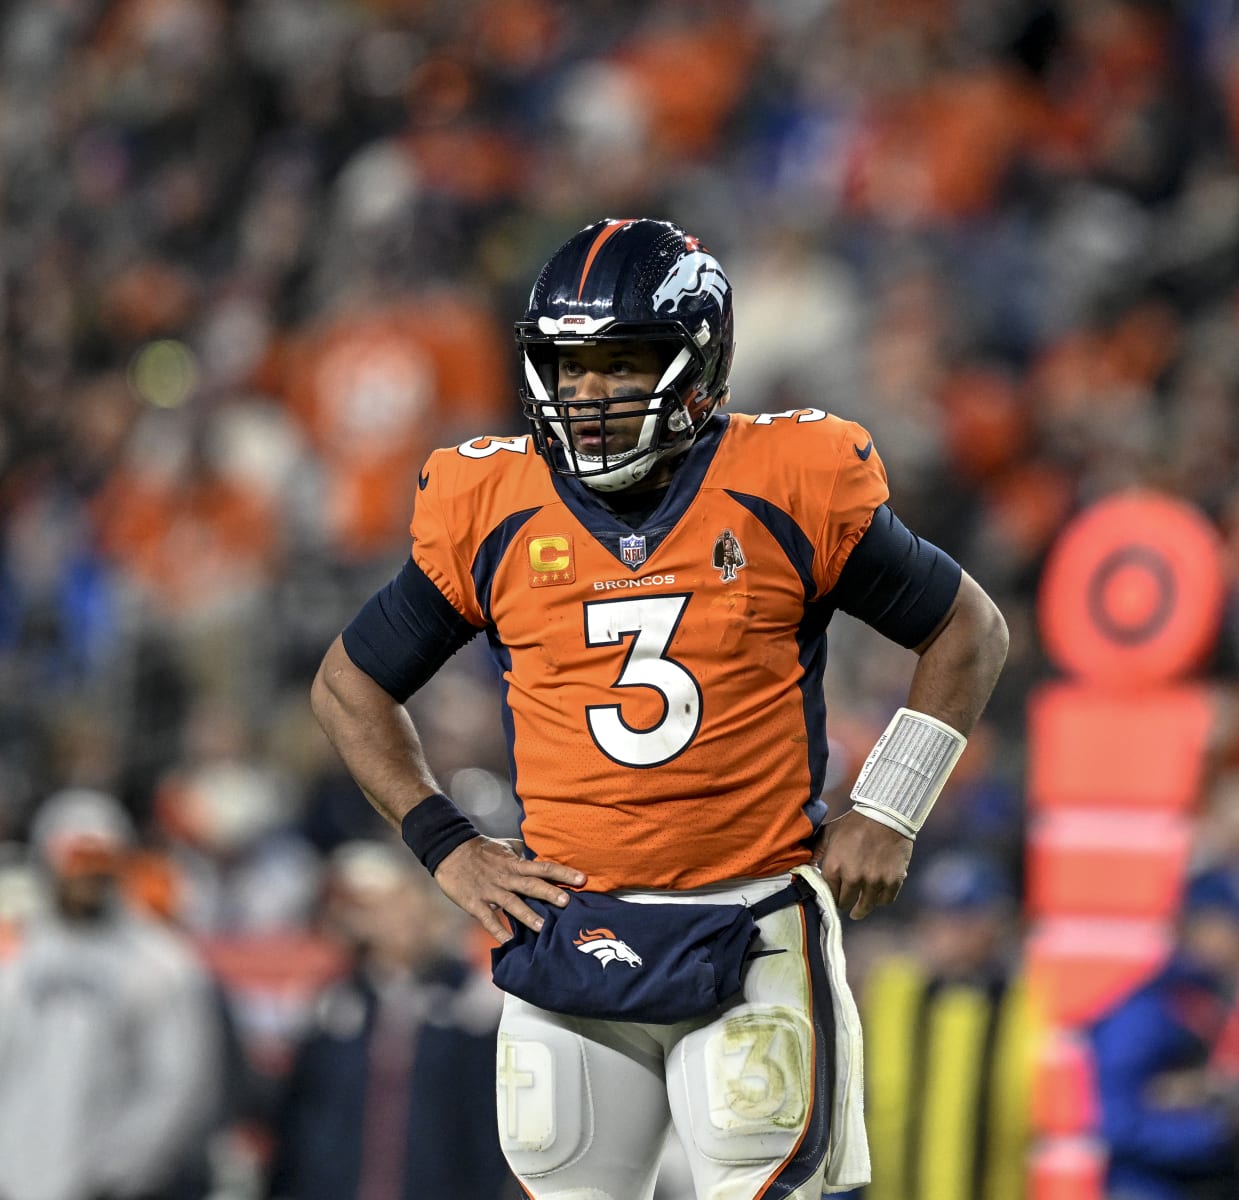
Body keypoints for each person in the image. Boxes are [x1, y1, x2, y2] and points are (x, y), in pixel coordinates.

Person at [310, 218, 1009, 1200]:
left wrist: (892, 807)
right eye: (568, 366)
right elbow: (349, 684)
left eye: (621, 364)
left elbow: (969, 630)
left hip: (749, 916)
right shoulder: (493, 502)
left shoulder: (786, 481)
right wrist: (447, 844)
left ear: (698, 361)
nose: (588, 395)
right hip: (568, 926)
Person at [0, 789, 222, 1200]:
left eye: (101, 860)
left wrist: (116, 1171)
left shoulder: (162, 963)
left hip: (114, 1186)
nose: (88, 874)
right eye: (77, 859)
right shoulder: (14, 954)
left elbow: (178, 1083)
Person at [268, 841, 513, 1200]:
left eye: (413, 910)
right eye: (389, 910)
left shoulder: (472, 1009)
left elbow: (484, 1123)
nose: (400, 923)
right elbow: (301, 1115)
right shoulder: (333, 1006)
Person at [1089, 866, 1239, 1200]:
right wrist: (1213, 1131)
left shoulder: (1205, 1001)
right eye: (1237, 928)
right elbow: (1114, 1121)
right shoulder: (1148, 1010)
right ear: (1198, 927)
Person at [862, 851, 1033, 1200]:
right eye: (936, 920)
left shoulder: (1025, 1001)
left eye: (964, 921)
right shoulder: (892, 993)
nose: (947, 934)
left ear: (998, 924)